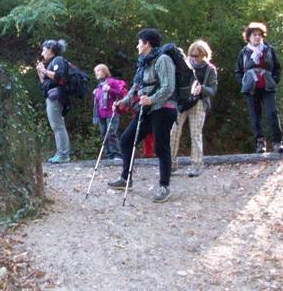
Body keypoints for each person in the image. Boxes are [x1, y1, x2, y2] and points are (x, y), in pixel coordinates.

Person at [109, 28, 177, 203]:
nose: (137, 45)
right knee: (126, 140)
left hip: (163, 108)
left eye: (139, 42)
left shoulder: (163, 60)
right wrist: (123, 102)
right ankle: (126, 179)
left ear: (147, 43)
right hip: (147, 109)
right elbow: (136, 87)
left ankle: (164, 186)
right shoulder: (144, 62)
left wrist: (151, 99)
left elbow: (168, 87)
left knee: (161, 147)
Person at [234, 22, 283, 154]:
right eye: (254, 35)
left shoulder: (269, 50)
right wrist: (243, 82)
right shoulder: (243, 53)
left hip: (268, 87)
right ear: (249, 37)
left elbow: (277, 68)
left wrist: (274, 80)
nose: (257, 37)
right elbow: (238, 71)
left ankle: (277, 142)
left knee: (272, 113)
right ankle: (260, 143)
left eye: (259, 35)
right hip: (250, 89)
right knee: (255, 116)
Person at [170, 40, 218, 177]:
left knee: (195, 134)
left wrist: (200, 88)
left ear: (204, 54)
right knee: (173, 132)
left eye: (196, 55)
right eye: (191, 55)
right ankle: (170, 164)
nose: (193, 57)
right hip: (182, 102)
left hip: (199, 103)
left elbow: (213, 90)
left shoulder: (210, 69)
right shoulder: (185, 65)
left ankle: (197, 165)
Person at [36, 39, 71, 164]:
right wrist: (41, 71)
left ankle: (63, 155)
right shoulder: (51, 63)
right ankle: (60, 153)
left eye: (44, 49)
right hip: (51, 96)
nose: (42, 52)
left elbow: (59, 76)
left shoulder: (58, 60)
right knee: (56, 126)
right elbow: (44, 84)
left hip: (56, 97)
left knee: (58, 126)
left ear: (50, 50)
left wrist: (45, 70)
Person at [92, 64, 125, 159]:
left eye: (98, 71)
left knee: (111, 133)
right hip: (101, 114)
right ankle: (109, 155)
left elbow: (121, 94)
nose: (97, 74)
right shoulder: (99, 86)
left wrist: (110, 89)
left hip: (112, 112)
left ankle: (117, 154)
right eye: (95, 72)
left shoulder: (112, 82)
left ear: (104, 71)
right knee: (103, 134)